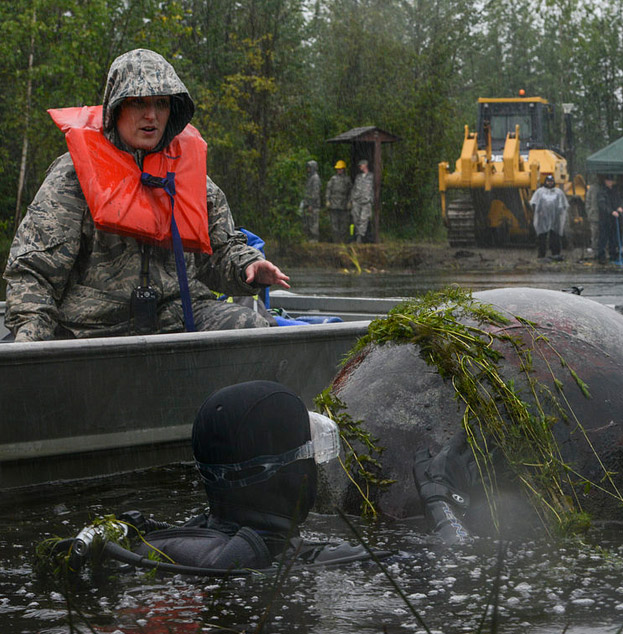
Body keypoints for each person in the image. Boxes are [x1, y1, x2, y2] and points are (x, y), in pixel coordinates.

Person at [3, 48, 289, 342]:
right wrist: (31, 342)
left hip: (177, 317)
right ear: (115, 108)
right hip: (92, 328)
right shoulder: (72, 176)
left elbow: (221, 253)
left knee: (251, 327)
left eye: (161, 103)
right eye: (138, 102)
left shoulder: (192, 180)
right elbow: (32, 272)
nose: (151, 115)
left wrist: (248, 267)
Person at [68, 381, 381, 574]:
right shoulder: (325, 561)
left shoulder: (156, 545)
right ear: (289, 474)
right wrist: (432, 499)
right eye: (310, 453)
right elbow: (423, 569)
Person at [529, 174, 568, 260]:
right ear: (545, 182)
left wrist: (560, 215)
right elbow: (533, 203)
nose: (549, 183)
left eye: (551, 181)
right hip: (542, 219)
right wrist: (538, 213)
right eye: (548, 181)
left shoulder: (558, 192)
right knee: (542, 237)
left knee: (555, 236)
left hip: (555, 219)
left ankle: (556, 253)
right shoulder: (539, 192)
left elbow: (564, 205)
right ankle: (541, 254)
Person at [596, 175, 623, 264]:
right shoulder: (601, 192)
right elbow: (602, 205)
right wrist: (611, 211)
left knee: (613, 237)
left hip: (614, 219)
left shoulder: (615, 191)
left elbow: (619, 201)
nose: (610, 182)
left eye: (611, 180)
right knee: (603, 238)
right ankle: (601, 256)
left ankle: (613, 254)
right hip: (605, 219)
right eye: (608, 180)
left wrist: (620, 207)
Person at [324, 159, 352, 242]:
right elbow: (328, 190)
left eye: (340, 169)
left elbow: (351, 192)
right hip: (334, 204)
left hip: (343, 204)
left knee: (343, 224)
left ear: (344, 169)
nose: (339, 170)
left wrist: (350, 202)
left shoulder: (347, 180)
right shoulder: (333, 179)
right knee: (334, 224)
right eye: (338, 169)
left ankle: (342, 241)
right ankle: (336, 241)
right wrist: (327, 200)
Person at [349, 159, 374, 243]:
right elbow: (354, 188)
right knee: (356, 219)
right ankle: (357, 235)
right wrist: (351, 200)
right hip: (357, 201)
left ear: (365, 165)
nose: (360, 167)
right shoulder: (358, 177)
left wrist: (371, 199)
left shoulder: (372, 177)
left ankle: (360, 237)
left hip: (366, 201)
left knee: (364, 219)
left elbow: (374, 189)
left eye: (361, 165)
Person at [301, 160, 321, 241]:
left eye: (309, 167)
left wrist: (311, 205)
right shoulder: (309, 178)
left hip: (314, 205)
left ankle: (314, 239)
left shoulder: (315, 178)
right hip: (307, 203)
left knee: (313, 222)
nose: (308, 169)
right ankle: (308, 238)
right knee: (307, 222)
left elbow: (315, 193)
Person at [584, 176, 601, 256]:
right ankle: (594, 248)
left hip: (603, 216)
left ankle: (601, 248)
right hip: (594, 215)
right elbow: (588, 201)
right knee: (594, 233)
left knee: (601, 232)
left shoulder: (604, 188)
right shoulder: (592, 188)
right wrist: (589, 212)